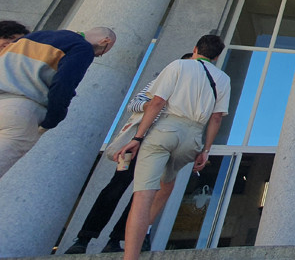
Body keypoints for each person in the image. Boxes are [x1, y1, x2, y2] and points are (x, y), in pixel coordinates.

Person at [64, 53, 193, 255]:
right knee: (116, 187)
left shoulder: (192, 92)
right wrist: (151, 105)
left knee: (142, 195)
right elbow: (134, 104)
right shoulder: (158, 82)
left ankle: (116, 240)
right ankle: (84, 238)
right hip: (136, 142)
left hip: (160, 146)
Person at [116, 35, 231, 260]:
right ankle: (146, 231)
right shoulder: (223, 78)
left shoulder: (178, 65)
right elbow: (217, 118)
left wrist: (138, 137)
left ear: (195, 48)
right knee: (167, 183)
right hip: (193, 136)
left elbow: (157, 102)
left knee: (143, 196)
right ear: (217, 56)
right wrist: (206, 150)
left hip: (167, 128)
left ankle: (130, 256)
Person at [0, 26, 116, 178]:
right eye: (101, 54)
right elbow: (64, 84)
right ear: (105, 41)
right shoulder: (82, 47)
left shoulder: (32, 37)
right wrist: (52, 119)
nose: (98, 55)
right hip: (21, 109)